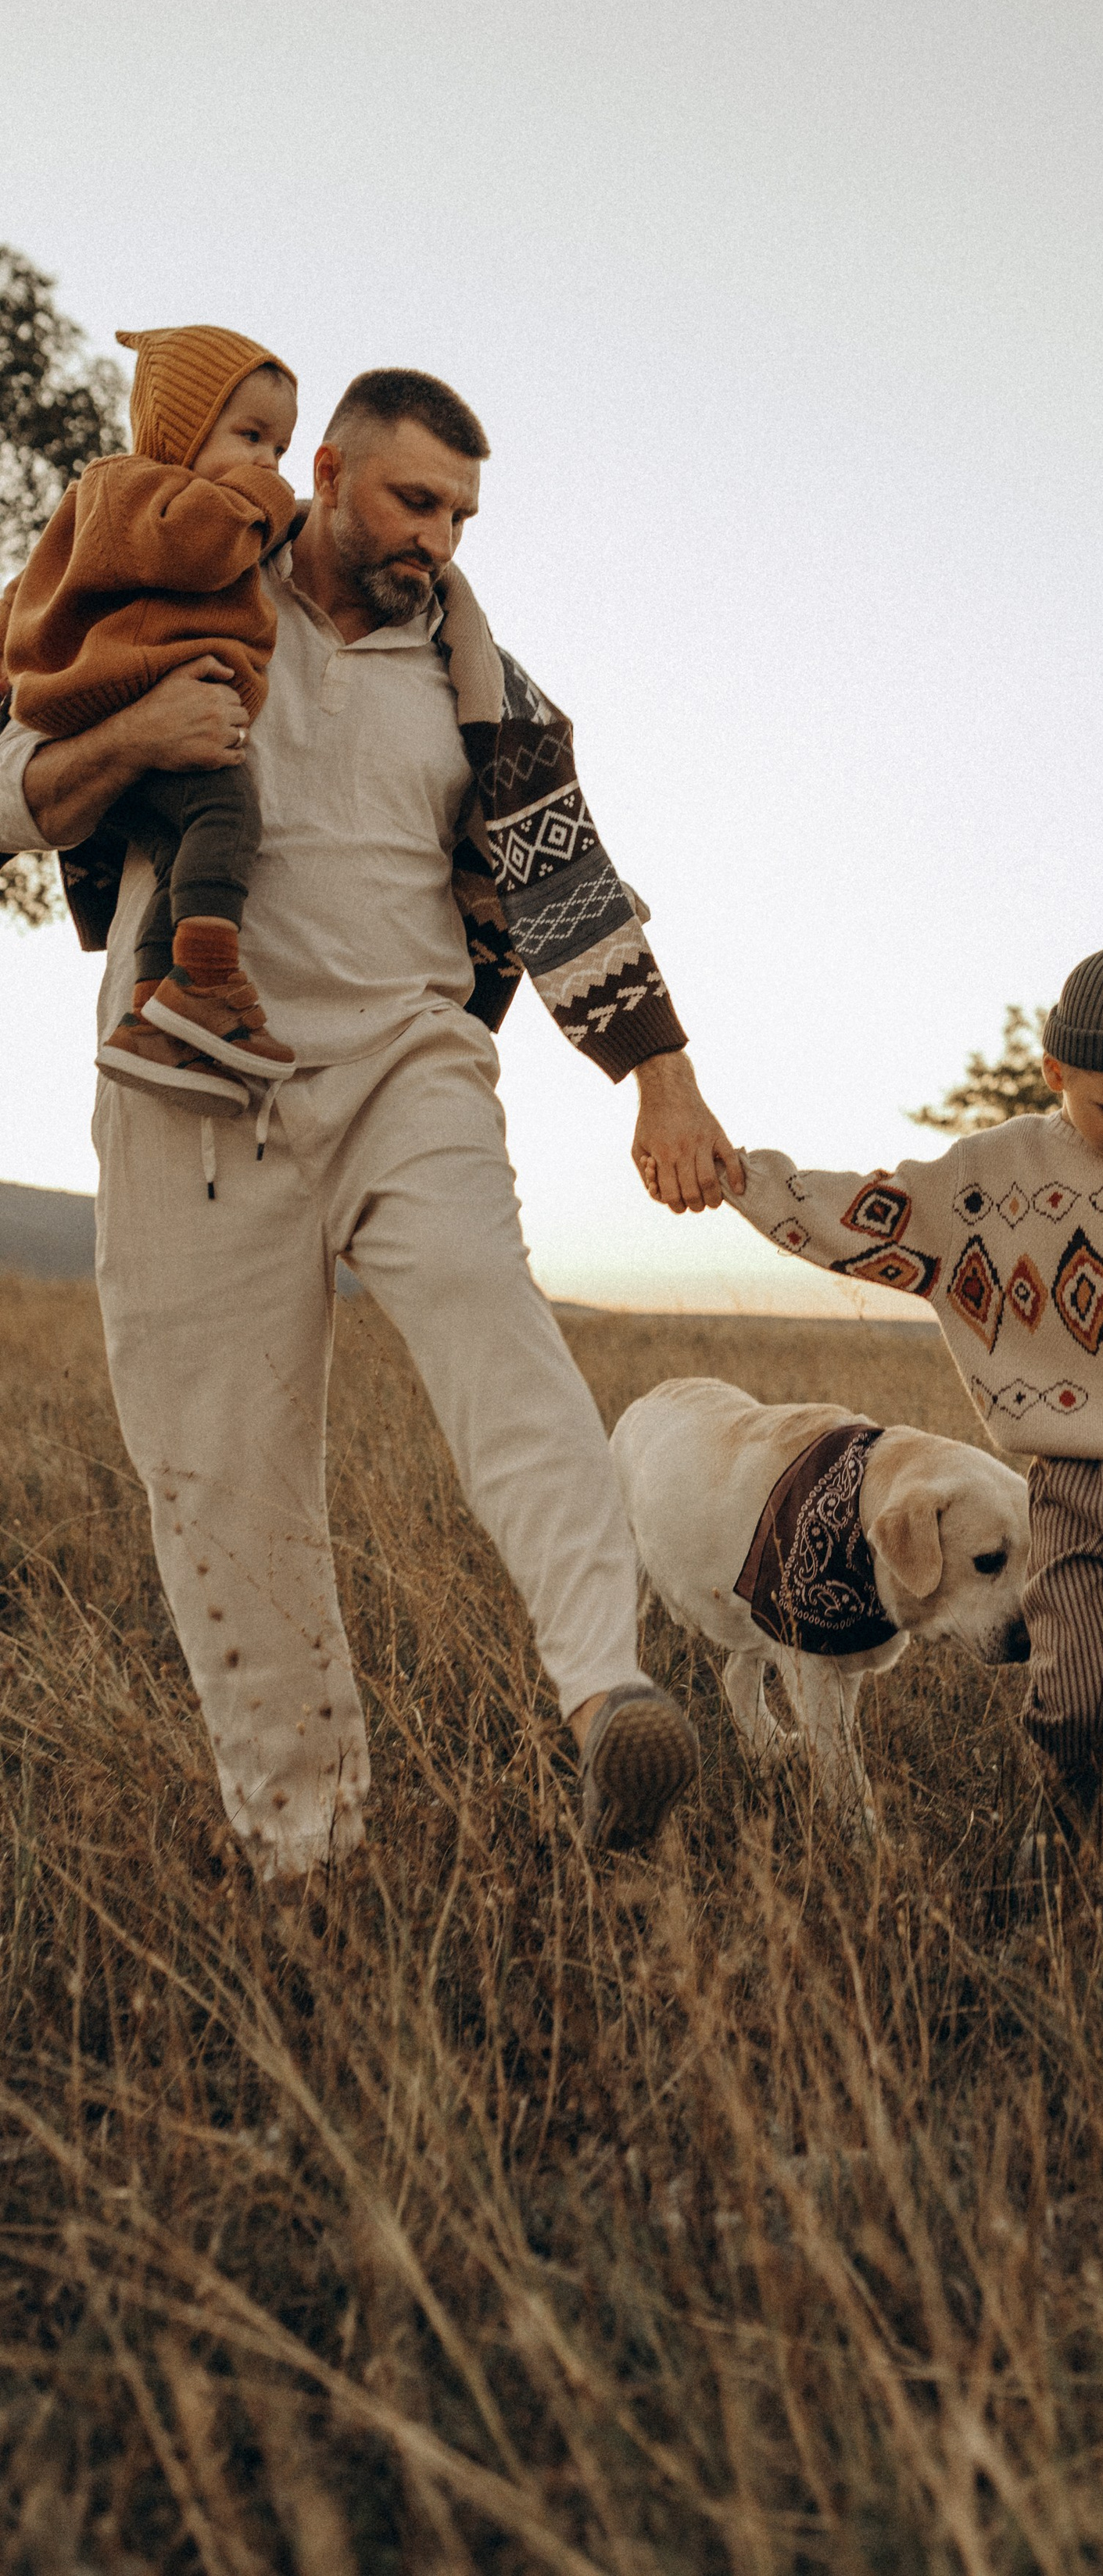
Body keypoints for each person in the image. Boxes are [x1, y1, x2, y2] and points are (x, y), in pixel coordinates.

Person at [0, 366, 744, 1883]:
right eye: (415, 502)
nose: (438, 540)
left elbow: (567, 886)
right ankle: (307, 1848)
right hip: (195, 1076)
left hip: (411, 1061)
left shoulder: (491, 689)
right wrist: (136, 737)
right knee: (222, 1467)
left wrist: (663, 1079)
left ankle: (608, 1693)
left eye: (462, 516)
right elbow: (18, 784)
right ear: (328, 473)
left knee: (494, 1318)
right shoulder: (169, 599)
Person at [727, 939, 1103, 1945]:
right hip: (1076, 1490)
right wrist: (738, 1177)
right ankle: (1056, 1841)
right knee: (1076, 1690)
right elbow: (858, 1214)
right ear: (1056, 1072)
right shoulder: (986, 1179)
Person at [1, 324, 301, 1099]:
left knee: (178, 852)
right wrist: (267, 502)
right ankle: (208, 981)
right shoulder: (135, 490)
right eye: (250, 436)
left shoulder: (183, 502)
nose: (270, 463)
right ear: (183, 429)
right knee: (227, 815)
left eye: (281, 448)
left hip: (142, 714)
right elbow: (196, 547)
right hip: (131, 698)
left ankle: (153, 1018)